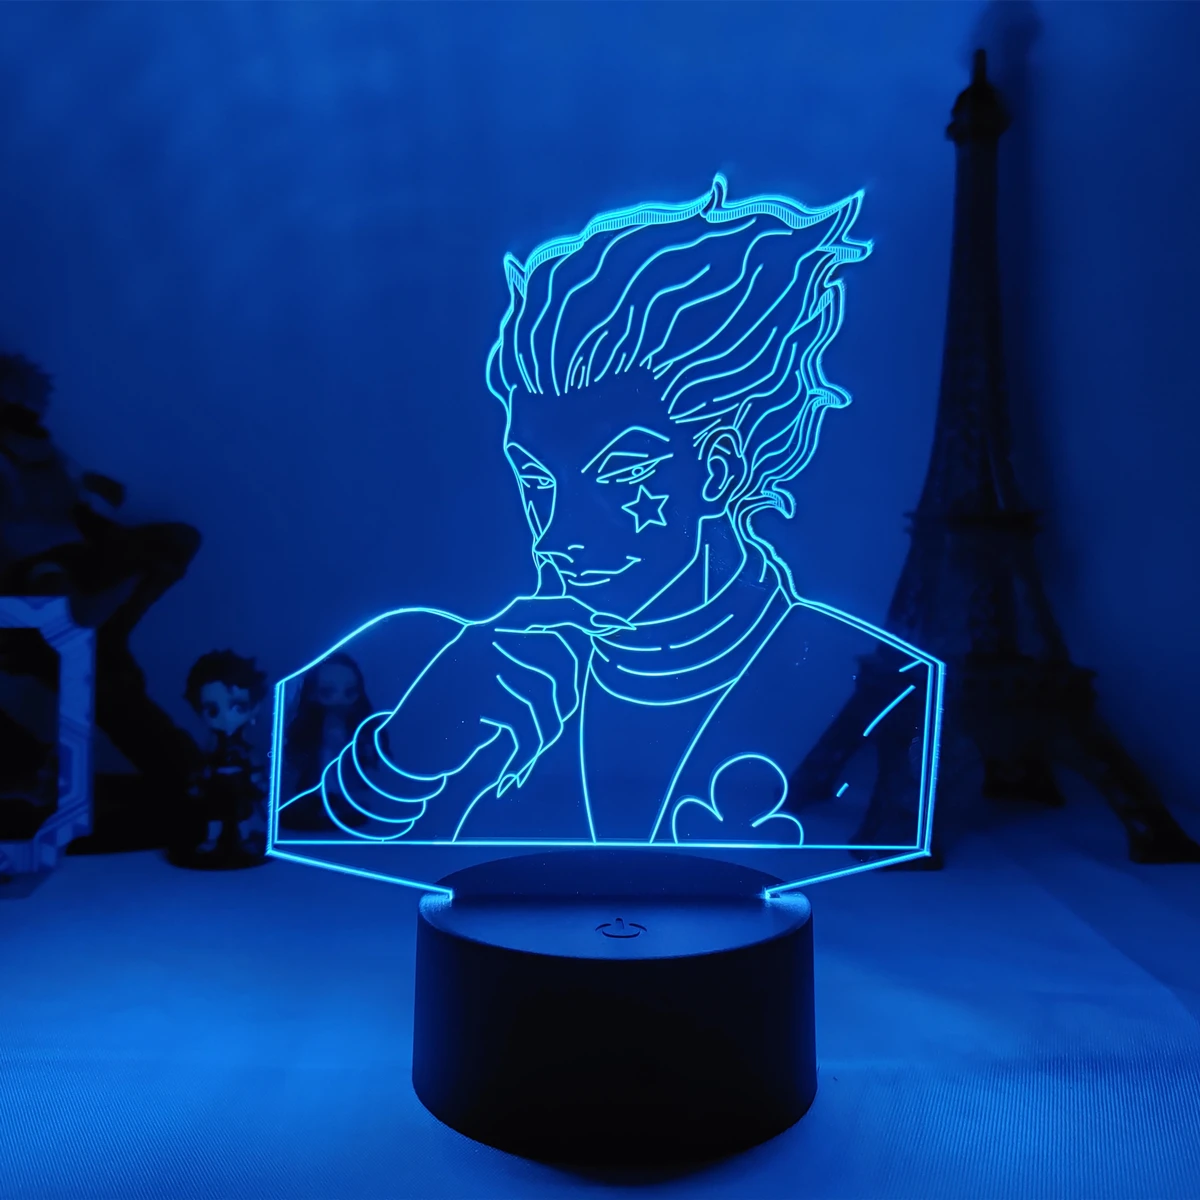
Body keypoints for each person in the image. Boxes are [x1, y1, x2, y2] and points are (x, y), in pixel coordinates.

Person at [275, 176, 942, 865]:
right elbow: (317, 849)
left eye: (620, 473)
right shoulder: (476, 666)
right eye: (537, 480)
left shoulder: (845, 671)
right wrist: (406, 758)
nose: (554, 538)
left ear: (720, 467)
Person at [173, 650, 268, 868]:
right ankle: (211, 841)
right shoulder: (210, 744)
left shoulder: (244, 746)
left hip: (239, 784)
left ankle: (245, 840)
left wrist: (258, 780)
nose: (226, 717)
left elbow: (253, 763)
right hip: (216, 784)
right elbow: (203, 764)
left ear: (254, 707)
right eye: (212, 710)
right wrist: (198, 781)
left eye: (237, 707)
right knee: (213, 814)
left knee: (242, 814)